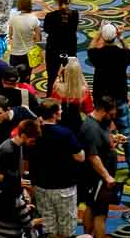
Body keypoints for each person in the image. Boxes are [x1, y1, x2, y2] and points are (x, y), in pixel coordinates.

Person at [28, 99, 84, 238]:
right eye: (59, 109)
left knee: (48, 228)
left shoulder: (34, 133)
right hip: (63, 188)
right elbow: (80, 157)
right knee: (66, 229)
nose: (62, 111)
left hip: (41, 187)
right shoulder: (65, 133)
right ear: (53, 114)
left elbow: (27, 161)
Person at [87, 22, 130, 170]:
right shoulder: (122, 54)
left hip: (101, 102)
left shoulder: (97, 54)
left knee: (102, 132)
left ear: (103, 36)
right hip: (119, 97)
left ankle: (103, 163)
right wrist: (121, 38)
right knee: (126, 132)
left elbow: (90, 47)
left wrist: (98, 33)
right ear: (115, 36)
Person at [0, 115, 42, 238]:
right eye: (32, 140)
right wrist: (16, 183)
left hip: (12, 196)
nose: (33, 143)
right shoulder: (6, 149)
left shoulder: (19, 146)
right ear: (23, 136)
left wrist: (22, 190)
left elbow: (15, 172)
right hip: (4, 199)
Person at [79, 96, 119, 238]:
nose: (113, 117)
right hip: (98, 178)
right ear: (103, 111)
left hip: (100, 177)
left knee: (92, 206)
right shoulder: (91, 129)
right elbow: (93, 156)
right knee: (101, 214)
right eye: (111, 114)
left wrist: (113, 140)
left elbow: (103, 143)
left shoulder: (100, 122)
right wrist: (107, 177)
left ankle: (87, 235)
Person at [43, 0, 79, 96]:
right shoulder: (75, 14)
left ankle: (50, 97)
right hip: (70, 50)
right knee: (70, 77)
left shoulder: (50, 16)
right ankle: (70, 98)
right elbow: (74, 29)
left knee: (52, 77)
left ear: (56, 2)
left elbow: (46, 30)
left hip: (53, 50)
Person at [51, 56, 93, 134]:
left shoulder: (57, 87)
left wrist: (58, 75)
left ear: (64, 71)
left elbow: (51, 105)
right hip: (76, 125)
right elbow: (88, 110)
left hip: (59, 124)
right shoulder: (84, 90)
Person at [7, 0, 40, 83]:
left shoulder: (13, 18)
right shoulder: (34, 19)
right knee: (26, 78)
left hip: (15, 52)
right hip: (28, 54)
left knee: (13, 78)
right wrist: (31, 36)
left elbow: (10, 35)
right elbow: (38, 38)